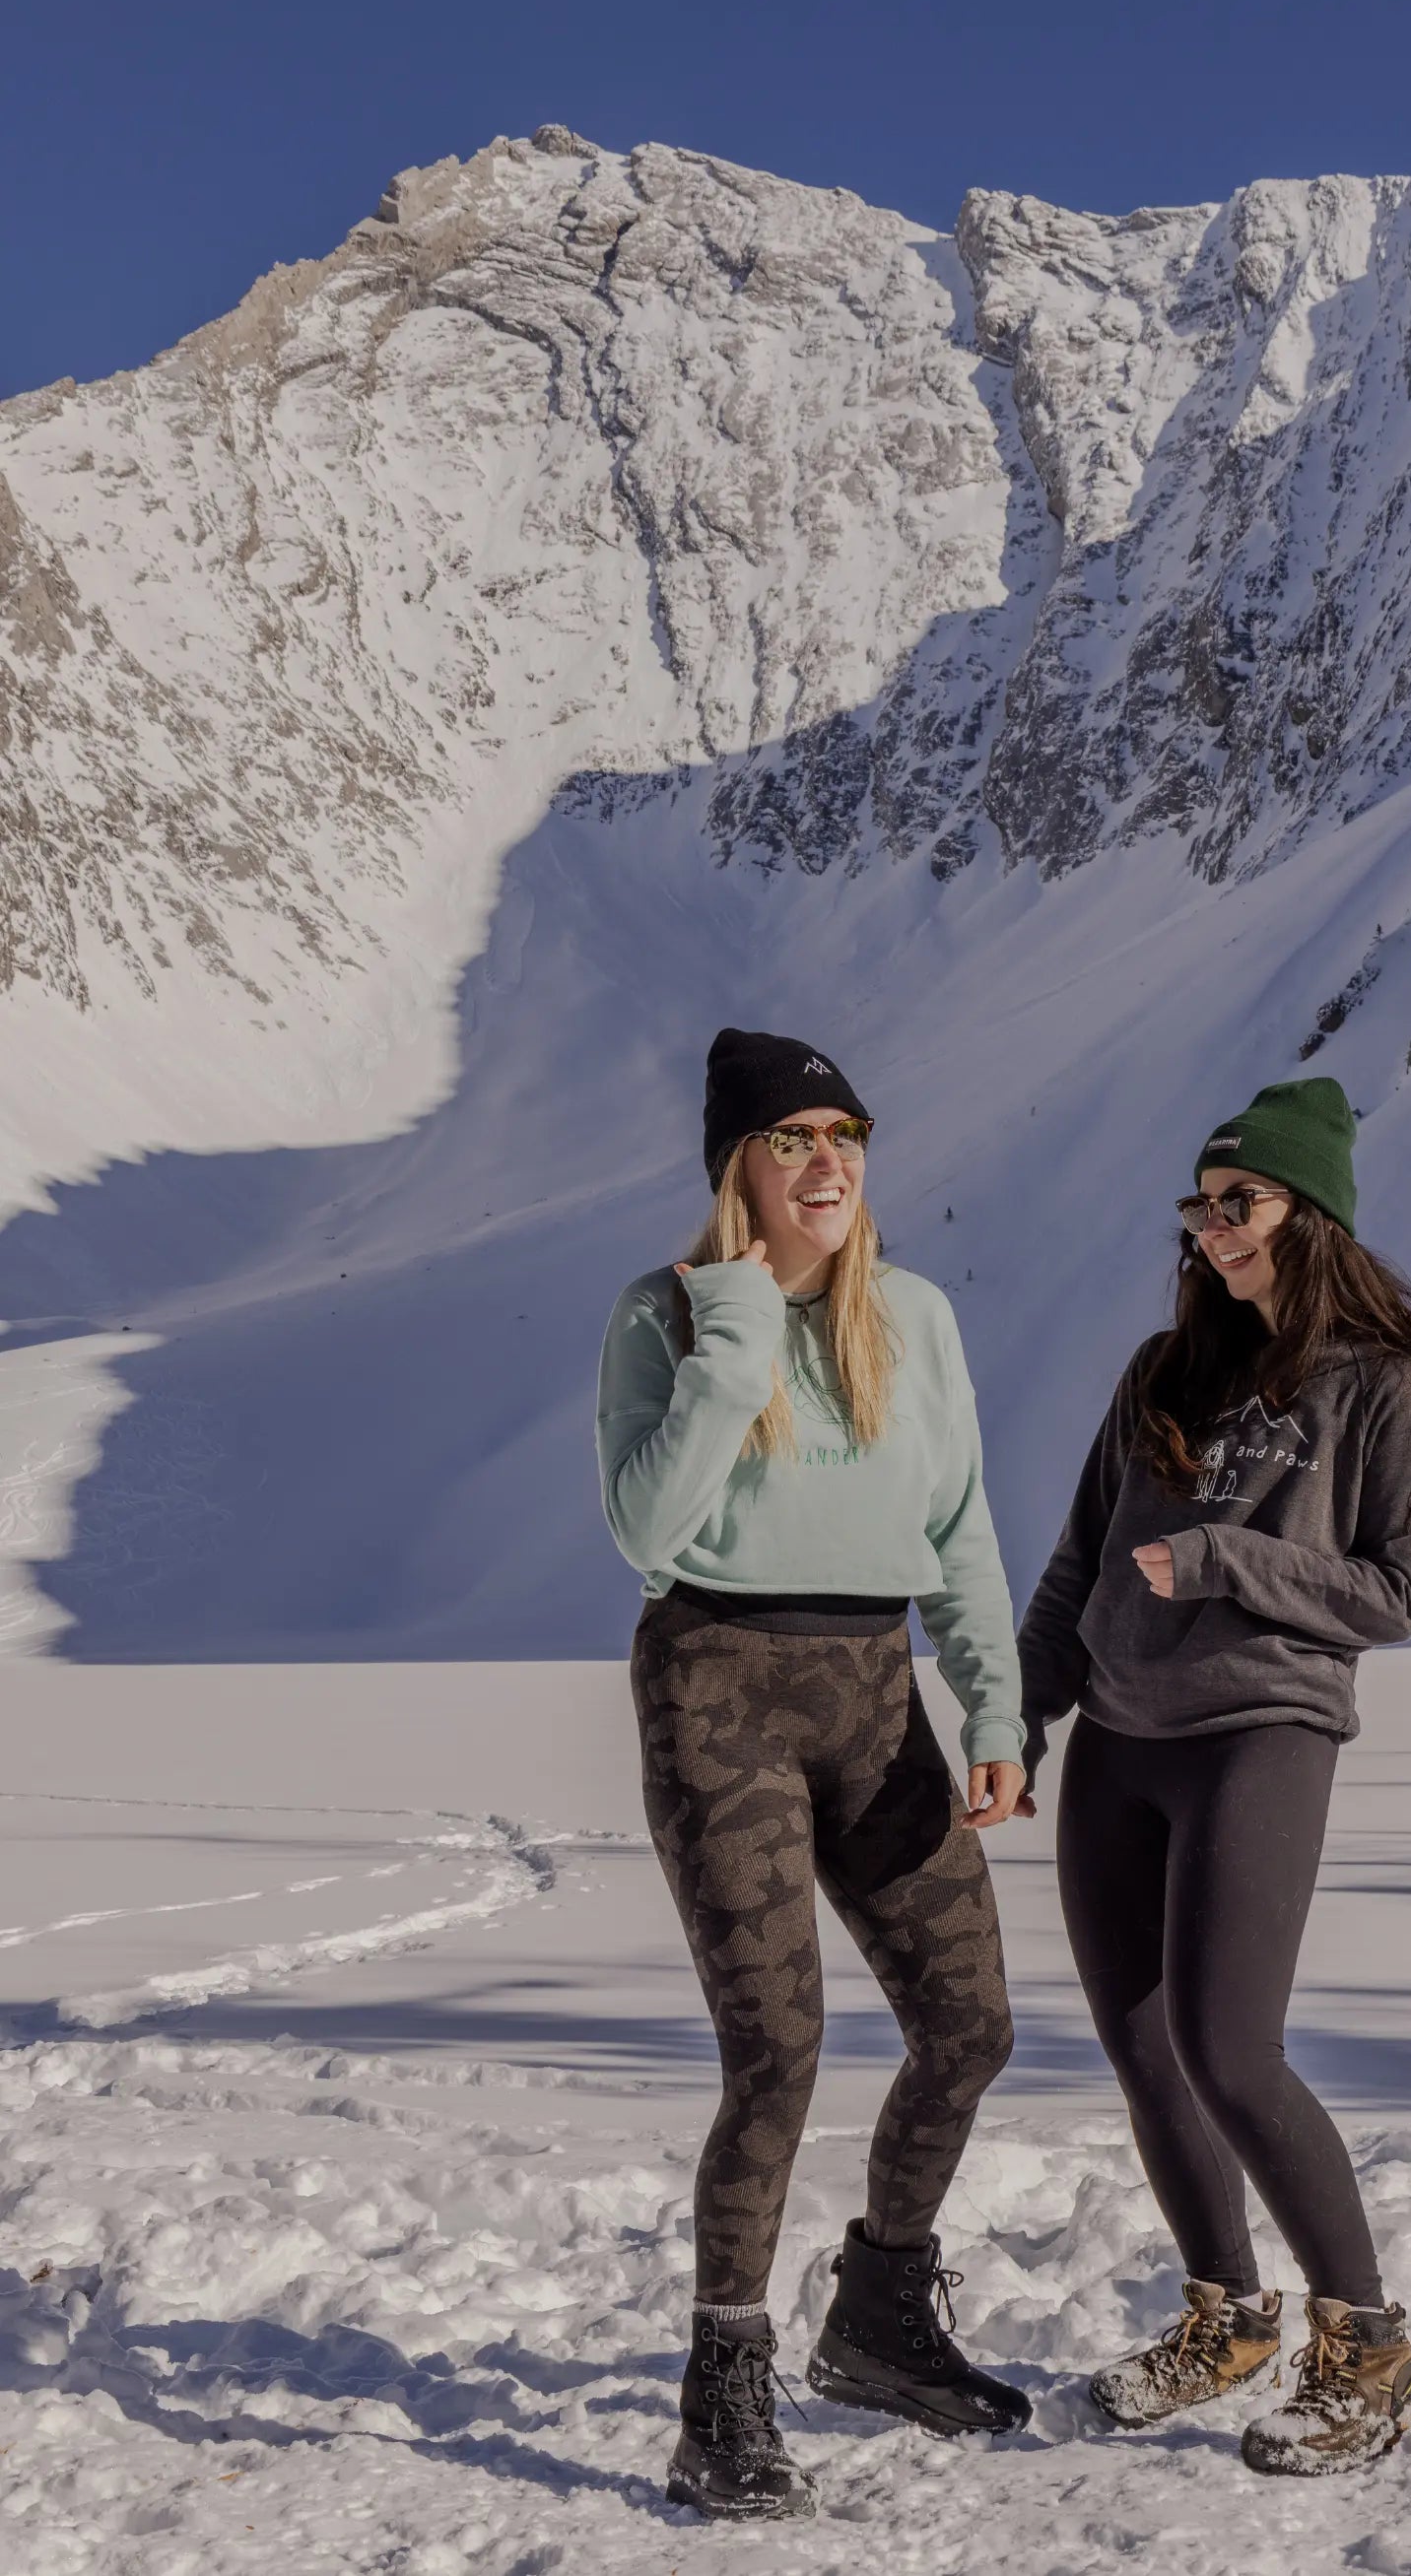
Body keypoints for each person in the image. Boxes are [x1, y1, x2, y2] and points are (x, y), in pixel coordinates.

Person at [597, 1028, 1032, 2524]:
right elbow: (648, 1534)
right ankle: (721, 2390)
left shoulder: (909, 1314)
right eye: (792, 1139)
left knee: (969, 2026)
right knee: (776, 2056)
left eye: (844, 1133)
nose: (828, 1162)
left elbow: (961, 1522)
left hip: (874, 1692)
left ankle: (879, 2319)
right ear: (740, 1166)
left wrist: (993, 1710)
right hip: (716, 1686)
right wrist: (733, 1344)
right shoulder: (662, 1317)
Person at [1017, 1075, 1411, 2477]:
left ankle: (1368, 2349)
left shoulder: (1384, 1387)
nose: (1211, 1230)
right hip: (1117, 1740)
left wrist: (1222, 1560)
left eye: (1239, 1202)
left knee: (1229, 2050)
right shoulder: (1160, 1374)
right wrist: (1015, 1719)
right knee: (1143, 2051)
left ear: (1308, 1211)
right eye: (1199, 1208)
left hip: (1262, 1730)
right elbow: (1076, 1567)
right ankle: (1226, 2316)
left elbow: (1392, 1594)